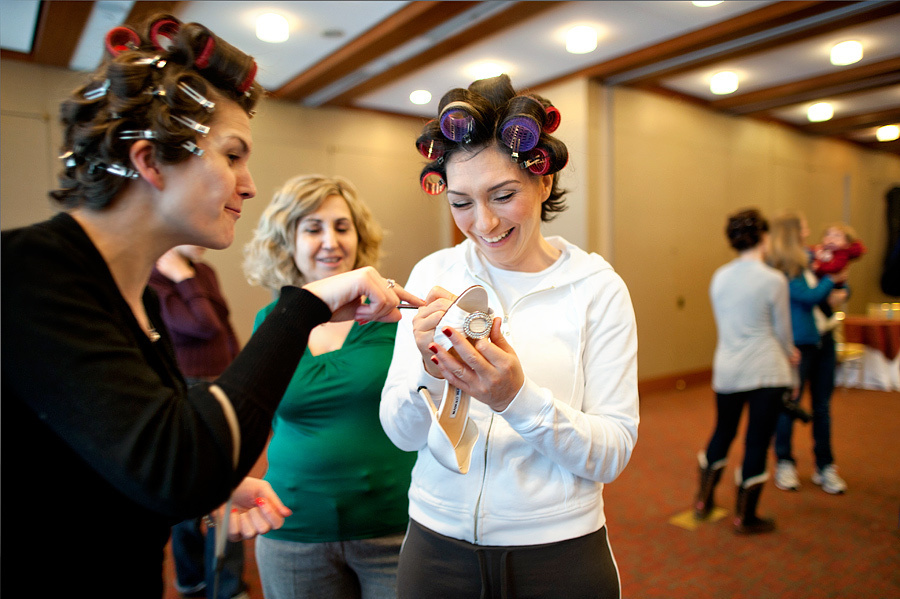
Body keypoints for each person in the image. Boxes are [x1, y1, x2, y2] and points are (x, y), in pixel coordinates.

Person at [0, 14, 420, 599]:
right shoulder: (28, 277)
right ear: (150, 162)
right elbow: (180, 464)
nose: (247, 185)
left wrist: (217, 489)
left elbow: (136, 453)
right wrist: (301, 309)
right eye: (232, 156)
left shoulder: (136, 297)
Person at [380, 74, 639, 598]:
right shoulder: (436, 272)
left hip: (558, 551)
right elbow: (400, 434)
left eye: (503, 194)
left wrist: (515, 400)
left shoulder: (597, 289)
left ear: (543, 181)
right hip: (435, 544)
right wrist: (428, 373)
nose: (484, 222)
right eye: (460, 202)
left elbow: (612, 453)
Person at [242, 175, 417, 599]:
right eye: (313, 228)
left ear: (359, 236)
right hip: (293, 529)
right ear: (289, 240)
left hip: (394, 529)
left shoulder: (393, 317)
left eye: (342, 227)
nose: (330, 241)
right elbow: (250, 415)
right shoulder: (274, 321)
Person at [149, 245, 249, 599]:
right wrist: (183, 278)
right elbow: (201, 324)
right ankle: (191, 578)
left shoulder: (202, 271)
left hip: (220, 384)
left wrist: (238, 371)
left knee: (224, 488)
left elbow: (222, 327)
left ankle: (228, 588)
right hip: (187, 390)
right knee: (190, 490)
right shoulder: (157, 278)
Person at [694, 209, 797, 535]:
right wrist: (793, 358)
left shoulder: (719, 276)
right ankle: (745, 516)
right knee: (756, 442)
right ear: (764, 238)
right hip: (767, 369)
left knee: (723, 431)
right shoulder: (773, 279)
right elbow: (782, 331)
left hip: (728, 367)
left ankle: (703, 499)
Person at [767, 212, 849, 495]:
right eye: (804, 226)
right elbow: (806, 295)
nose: (810, 230)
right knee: (791, 404)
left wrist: (841, 289)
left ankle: (825, 466)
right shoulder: (784, 264)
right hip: (799, 343)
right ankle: (784, 462)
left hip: (824, 339)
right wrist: (832, 281)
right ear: (792, 232)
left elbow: (840, 283)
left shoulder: (815, 256)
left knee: (823, 407)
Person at [811, 222, 866, 288]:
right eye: (827, 235)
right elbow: (807, 251)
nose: (830, 239)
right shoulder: (821, 249)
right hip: (819, 284)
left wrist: (819, 267)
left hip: (833, 287)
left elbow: (835, 267)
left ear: (847, 244)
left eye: (837, 236)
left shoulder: (842, 254)